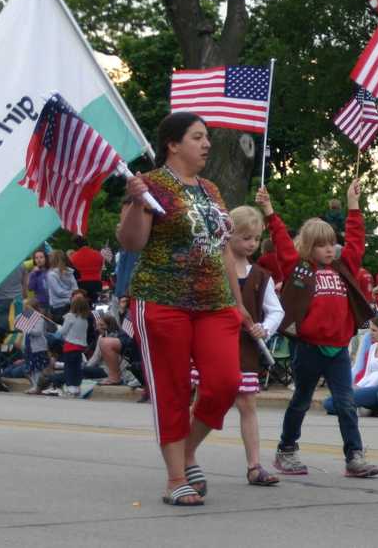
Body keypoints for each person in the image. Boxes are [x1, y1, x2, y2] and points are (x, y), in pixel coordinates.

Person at [119, 111, 255, 508]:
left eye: (207, 137)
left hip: (214, 303)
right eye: (198, 137)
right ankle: (176, 476)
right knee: (171, 388)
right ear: (173, 144)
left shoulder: (211, 190)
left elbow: (224, 249)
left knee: (225, 383)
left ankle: (189, 449)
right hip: (163, 300)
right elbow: (132, 243)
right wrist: (136, 201)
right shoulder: (152, 185)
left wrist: (240, 303)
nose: (207, 144)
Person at [262, 182, 378, 479]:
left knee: (346, 403)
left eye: (331, 243)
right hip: (309, 348)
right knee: (301, 399)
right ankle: (286, 449)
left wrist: (353, 205)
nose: (329, 248)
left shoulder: (343, 268)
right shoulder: (300, 269)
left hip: (338, 349)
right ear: (308, 248)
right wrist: (269, 213)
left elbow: (355, 242)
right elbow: (282, 244)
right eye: (321, 245)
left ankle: (354, 456)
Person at [216, 203, 284, 486]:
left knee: (248, 405)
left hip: (244, 349)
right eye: (245, 237)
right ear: (229, 236)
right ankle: (186, 458)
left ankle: (254, 465)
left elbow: (276, 311)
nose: (252, 244)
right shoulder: (215, 269)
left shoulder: (260, 276)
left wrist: (263, 328)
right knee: (203, 402)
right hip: (215, 345)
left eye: (256, 238)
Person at [328, 317, 378, 414]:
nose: (370, 333)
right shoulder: (373, 347)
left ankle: (360, 407)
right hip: (368, 387)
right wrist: (358, 385)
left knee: (332, 404)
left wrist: (363, 389)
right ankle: (365, 407)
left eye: (374, 330)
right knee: (329, 401)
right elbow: (367, 373)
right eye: (370, 330)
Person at [59, 293, 91, 398]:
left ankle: (70, 386)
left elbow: (63, 331)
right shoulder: (85, 319)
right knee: (77, 367)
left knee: (69, 367)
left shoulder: (70, 316)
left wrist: (59, 328)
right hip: (80, 347)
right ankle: (77, 386)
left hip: (70, 346)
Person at [22, 296, 52, 394]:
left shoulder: (39, 318)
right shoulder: (27, 319)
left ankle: (39, 386)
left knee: (38, 368)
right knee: (31, 368)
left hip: (38, 347)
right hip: (29, 347)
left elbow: (38, 332)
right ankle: (35, 385)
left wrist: (28, 328)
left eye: (27, 308)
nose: (25, 310)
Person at [46, 250, 78, 322]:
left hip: (58, 306)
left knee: (61, 329)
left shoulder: (51, 274)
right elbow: (75, 288)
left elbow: (59, 292)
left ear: (53, 260)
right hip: (71, 303)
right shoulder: (70, 272)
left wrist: (72, 295)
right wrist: (73, 295)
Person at [71, 236, 105, 303]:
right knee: (96, 304)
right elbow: (101, 267)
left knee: (84, 305)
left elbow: (74, 271)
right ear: (87, 243)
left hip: (82, 284)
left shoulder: (74, 257)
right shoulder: (97, 254)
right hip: (96, 283)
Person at [26, 250, 51, 314]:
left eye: (41, 257)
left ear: (46, 258)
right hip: (40, 304)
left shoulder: (50, 271)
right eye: (36, 258)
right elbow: (30, 288)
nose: (39, 259)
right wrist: (34, 274)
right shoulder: (33, 273)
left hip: (52, 302)